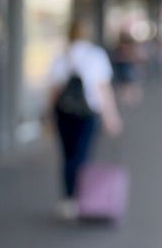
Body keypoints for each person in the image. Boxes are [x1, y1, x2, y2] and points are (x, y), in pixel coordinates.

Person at [47, 19, 123, 220]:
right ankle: (82, 197)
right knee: (82, 155)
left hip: (63, 113)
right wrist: (111, 116)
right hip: (88, 113)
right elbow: (103, 88)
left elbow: (54, 90)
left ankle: (68, 199)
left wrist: (47, 114)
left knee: (67, 155)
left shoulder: (62, 56)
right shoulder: (96, 56)